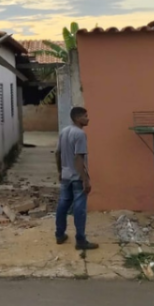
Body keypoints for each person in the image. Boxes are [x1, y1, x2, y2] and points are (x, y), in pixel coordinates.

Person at [55, 107, 98, 250]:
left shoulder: (64, 131)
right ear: (78, 118)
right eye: (85, 116)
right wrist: (85, 179)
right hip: (76, 176)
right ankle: (80, 240)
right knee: (80, 208)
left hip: (66, 175)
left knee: (63, 204)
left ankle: (59, 234)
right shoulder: (79, 134)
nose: (88, 118)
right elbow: (78, 157)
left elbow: (57, 153)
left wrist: (60, 171)